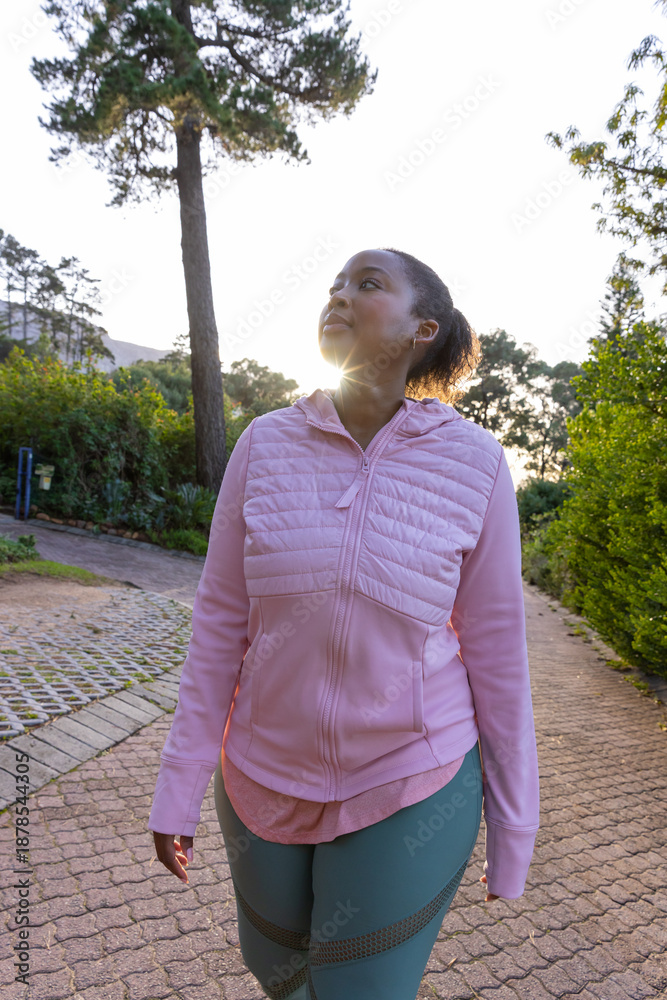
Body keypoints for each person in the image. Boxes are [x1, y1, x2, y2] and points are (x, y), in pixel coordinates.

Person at [148, 247, 540, 1000]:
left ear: (422, 328)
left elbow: (497, 654)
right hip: (262, 769)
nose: (339, 295)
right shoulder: (264, 444)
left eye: (367, 284)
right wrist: (178, 785)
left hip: (412, 774)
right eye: (333, 284)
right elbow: (219, 626)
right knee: (280, 974)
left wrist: (514, 828)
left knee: (356, 991)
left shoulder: (477, 463)